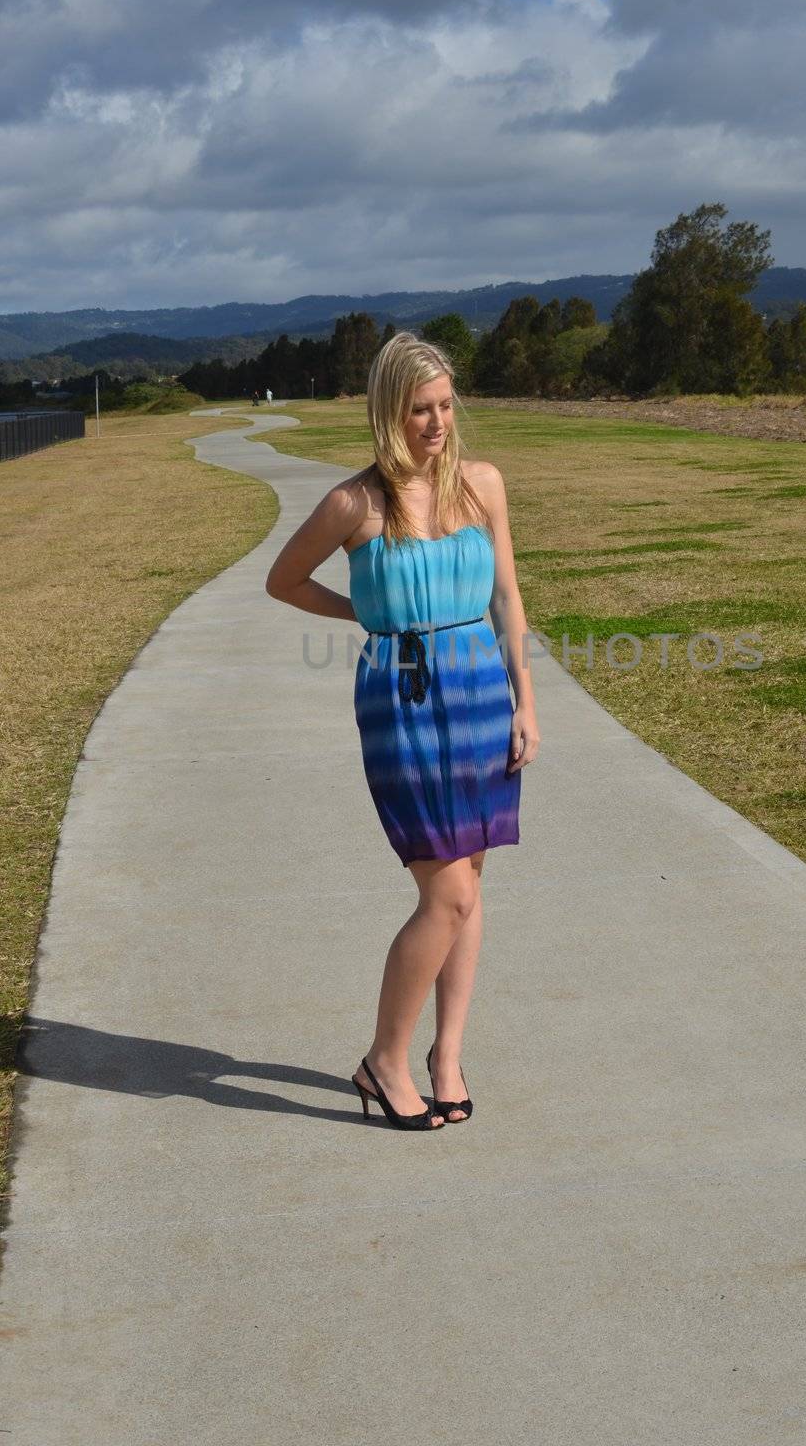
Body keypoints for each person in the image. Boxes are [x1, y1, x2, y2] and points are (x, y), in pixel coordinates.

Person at [264, 332, 540, 1132]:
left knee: (471, 884)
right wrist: (363, 613)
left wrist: (527, 699)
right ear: (390, 412)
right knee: (445, 891)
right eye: (420, 408)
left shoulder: (483, 485)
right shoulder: (355, 503)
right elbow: (283, 580)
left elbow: (509, 600)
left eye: (447, 405)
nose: (437, 422)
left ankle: (445, 1055)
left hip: (483, 690)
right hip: (403, 700)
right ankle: (385, 1059)